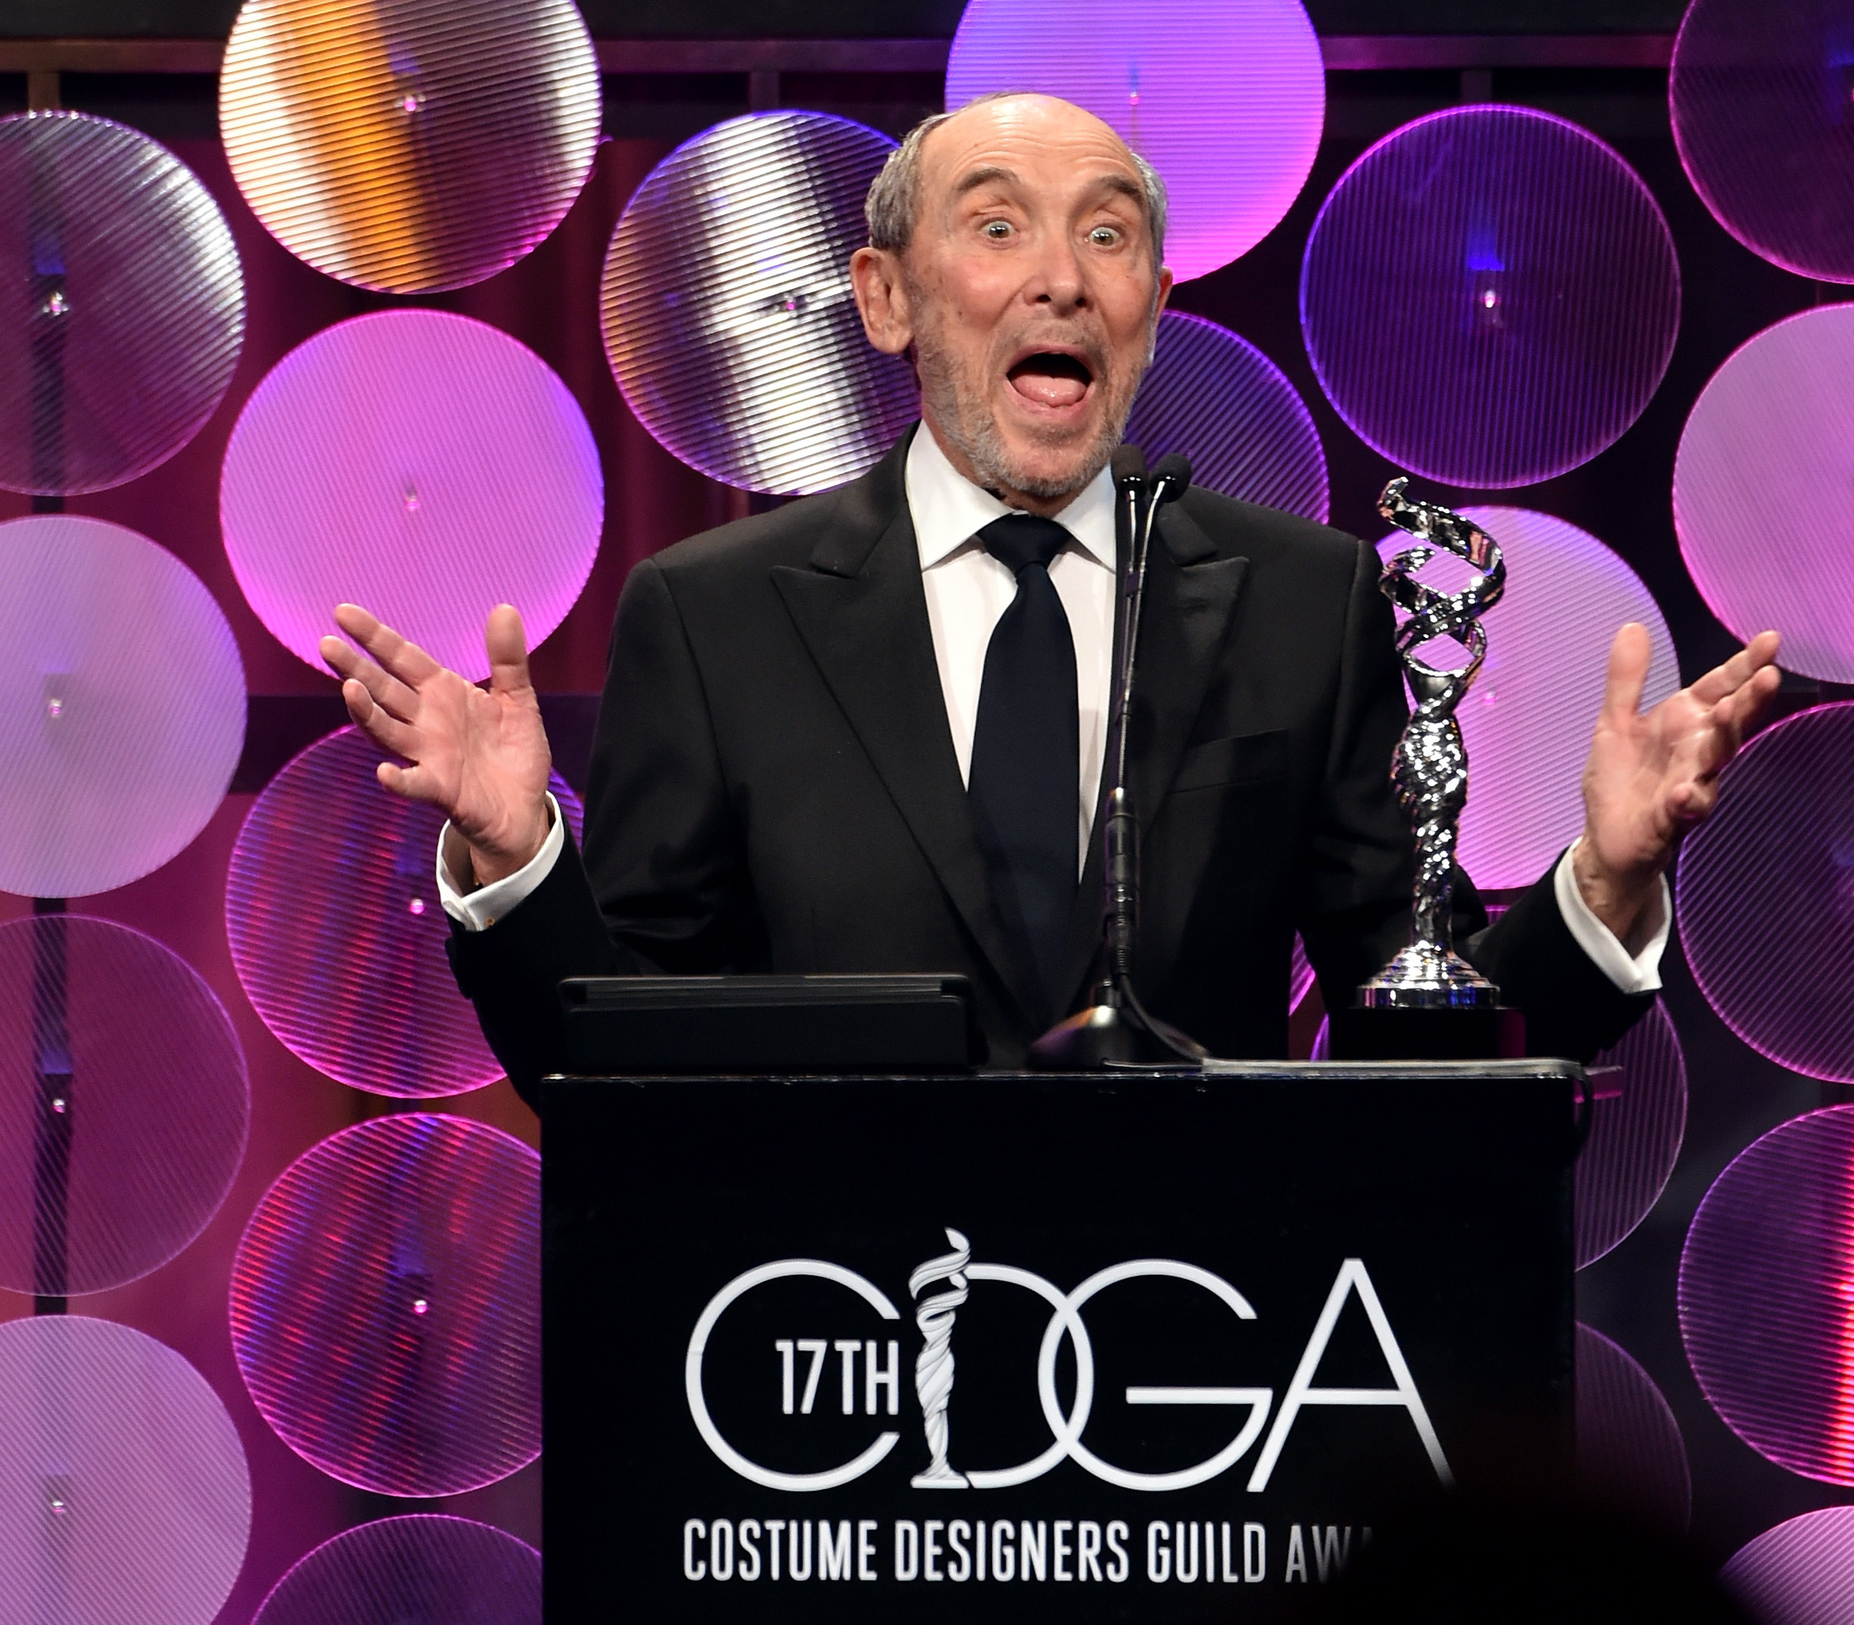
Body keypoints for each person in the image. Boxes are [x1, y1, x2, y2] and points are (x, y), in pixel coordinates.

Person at [320, 92, 1779, 1104]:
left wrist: (1605, 884)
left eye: (1108, 235)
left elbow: (1431, 1045)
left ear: (1155, 305)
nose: (1063, 281)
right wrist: (517, 863)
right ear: (886, 297)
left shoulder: (1300, 601)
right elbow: (620, 1068)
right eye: (999, 226)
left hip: (1202, 1362)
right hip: (834, 1367)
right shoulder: (715, 618)